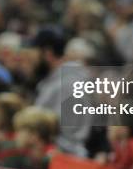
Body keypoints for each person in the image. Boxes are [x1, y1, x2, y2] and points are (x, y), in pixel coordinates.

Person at [30, 25, 90, 156]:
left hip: (66, 160)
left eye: (34, 53)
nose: (31, 59)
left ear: (47, 53)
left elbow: (73, 134)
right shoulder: (52, 80)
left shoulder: (71, 82)